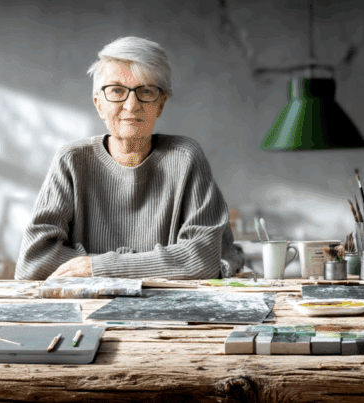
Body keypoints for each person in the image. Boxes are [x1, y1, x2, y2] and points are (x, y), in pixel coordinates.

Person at [15, 36, 244, 280]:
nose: (132, 105)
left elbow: (201, 260)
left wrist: (100, 267)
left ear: (161, 104)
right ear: (99, 104)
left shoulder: (186, 157)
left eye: (146, 91)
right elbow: (33, 264)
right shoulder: (71, 160)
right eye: (116, 91)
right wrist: (154, 265)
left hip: (167, 312)